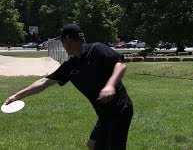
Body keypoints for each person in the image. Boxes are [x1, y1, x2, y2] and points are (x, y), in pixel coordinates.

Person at [4, 24, 133, 150]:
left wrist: (110, 85)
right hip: (104, 114)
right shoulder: (70, 66)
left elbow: (120, 64)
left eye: (62, 42)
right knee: (93, 144)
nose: (63, 46)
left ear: (68, 40)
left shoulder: (96, 49)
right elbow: (44, 82)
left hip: (120, 109)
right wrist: (17, 96)